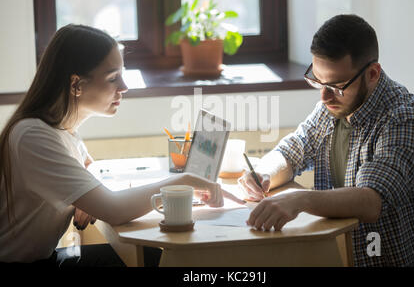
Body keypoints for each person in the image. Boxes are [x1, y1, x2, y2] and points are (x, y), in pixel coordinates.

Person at [0, 24, 244, 267]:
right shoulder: (34, 136)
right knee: (157, 261)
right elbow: (114, 210)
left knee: (153, 258)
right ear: (76, 85)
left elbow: (87, 167)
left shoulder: (61, 129)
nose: (124, 87)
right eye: (113, 77)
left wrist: (85, 196)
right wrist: (184, 181)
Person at [238, 14, 414, 267]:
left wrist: (300, 199)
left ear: (372, 74)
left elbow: (371, 201)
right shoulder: (333, 107)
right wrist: (263, 172)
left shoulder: (408, 121)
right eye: (317, 80)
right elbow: (293, 151)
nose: (325, 97)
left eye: (337, 86)